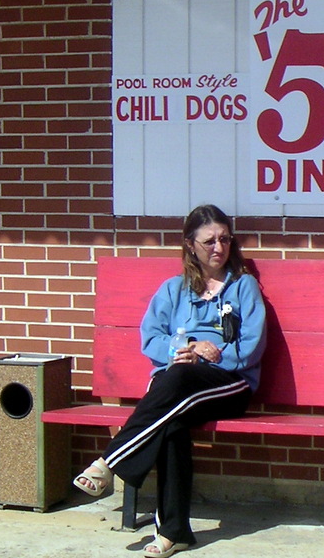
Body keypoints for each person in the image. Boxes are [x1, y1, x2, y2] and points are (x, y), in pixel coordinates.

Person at [73, 204, 267, 557]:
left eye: (224, 240)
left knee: (173, 391)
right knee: (172, 421)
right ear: (190, 245)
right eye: (208, 241)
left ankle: (110, 461)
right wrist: (183, 348)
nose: (218, 248)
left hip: (229, 382)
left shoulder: (244, 287)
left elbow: (251, 348)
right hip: (176, 383)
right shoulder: (173, 289)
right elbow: (151, 338)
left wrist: (214, 354)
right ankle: (175, 533)